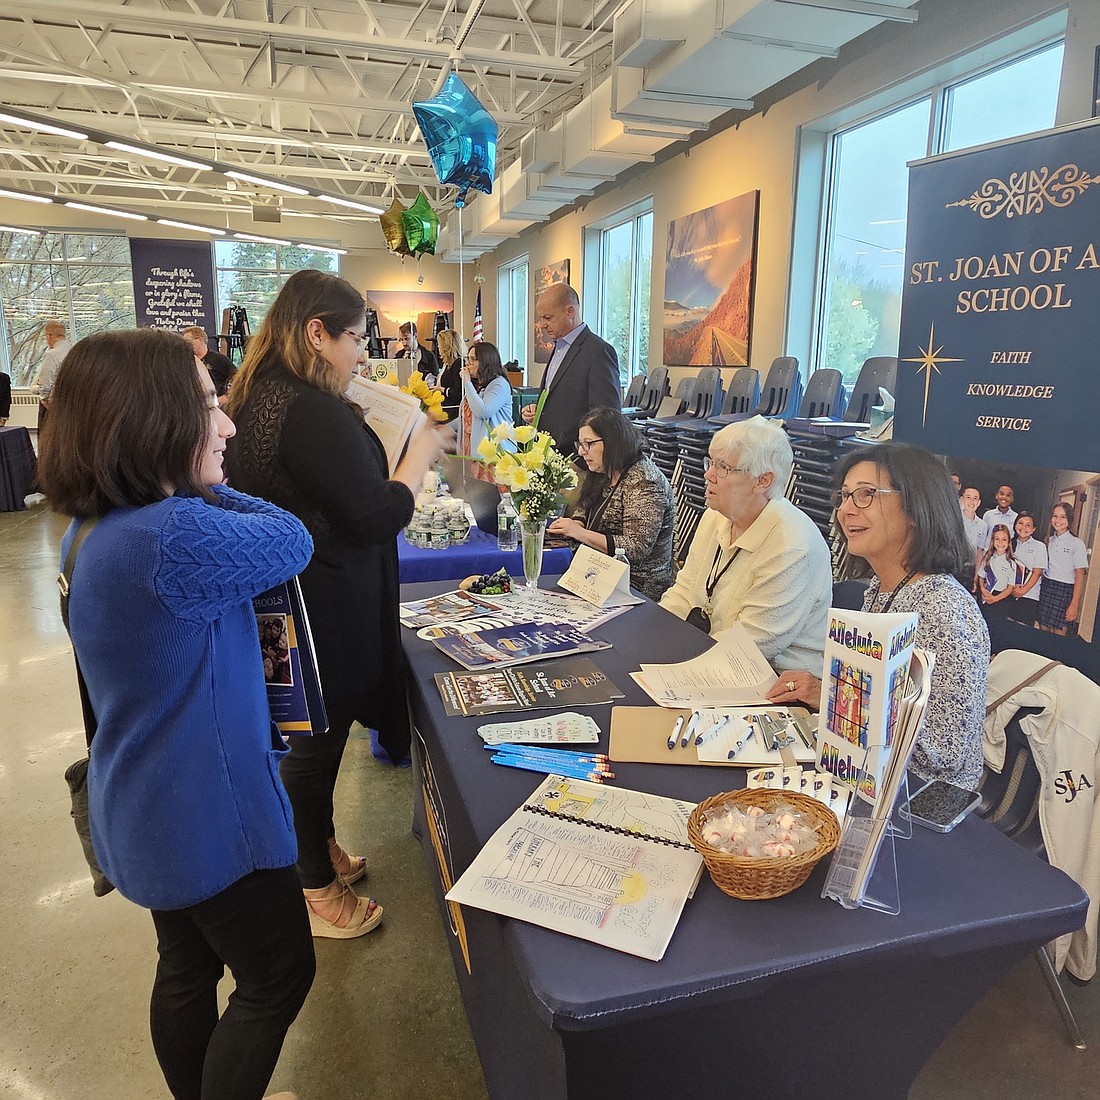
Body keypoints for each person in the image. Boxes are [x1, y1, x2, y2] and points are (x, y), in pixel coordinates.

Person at [37, 328, 315, 1100]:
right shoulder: (172, 535)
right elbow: (291, 539)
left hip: (143, 803)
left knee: (188, 966)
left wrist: (182, 473)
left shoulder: (92, 532)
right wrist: (199, 484)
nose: (226, 424)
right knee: (279, 977)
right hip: (206, 816)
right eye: (205, 408)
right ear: (149, 422)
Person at [225, 269, 452, 938]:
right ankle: (313, 886)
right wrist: (417, 455)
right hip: (322, 606)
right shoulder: (309, 409)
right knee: (317, 746)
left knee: (311, 740)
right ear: (316, 333)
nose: (364, 353)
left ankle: (314, 849)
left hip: (288, 599)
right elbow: (372, 517)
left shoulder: (261, 395)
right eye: (357, 338)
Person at [768, 443, 989, 789]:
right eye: (844, 496)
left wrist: (836, 701)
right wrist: (826, 694)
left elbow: (946, 754)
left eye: (866, 495)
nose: (845, 510)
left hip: (919, 803)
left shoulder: (945, 611)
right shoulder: (881, 588)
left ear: (917, 508)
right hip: (869, 777)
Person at [659, 415, 831, 671]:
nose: (708, 474)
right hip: (710, 656)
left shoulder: (792, 546)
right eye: (711, 462)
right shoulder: (715, 515)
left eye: (723, 467)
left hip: (772, 678)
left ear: (763, 481)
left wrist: (673, 663)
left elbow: (751, 643)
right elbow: (684, 590)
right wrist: (655, 636)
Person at [548, 406, 675, 601]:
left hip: (636, 587)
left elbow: (636, 547)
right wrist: (577, 523)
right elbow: (585, 506)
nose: (582, 452)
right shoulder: (603, 468)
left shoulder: (645, 481)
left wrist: (579, 533)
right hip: (597, 574)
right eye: (580, 444)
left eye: (588, 444)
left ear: (613, 442)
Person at [521, 283, 620, 455]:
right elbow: (563, 400)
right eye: (541, 318)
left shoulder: (598, 352)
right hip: (548, 456)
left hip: (576, 462)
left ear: (570, 312)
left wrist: (582, 460)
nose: (541, 325)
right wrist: (538, 411)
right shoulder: (558, 348)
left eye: (548, 317)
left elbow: (606, 416)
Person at [459, 341, 513, 484]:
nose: (467, 363)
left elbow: (483, 411)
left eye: (473, 359)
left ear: (485, 361)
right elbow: (466, 417)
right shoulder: (478, 387)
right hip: (475, 454)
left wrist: (467, 383)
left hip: (495, 456)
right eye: (467, 358)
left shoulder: (499, 384)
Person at [1038, 502, 1088, 636]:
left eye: (1063, 517)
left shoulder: (1077, 544)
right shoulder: (1049, 540)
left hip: (1065, 591)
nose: (1057, 521)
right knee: (1043, 631)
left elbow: (1079, 576)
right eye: (1055, 516)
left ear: (1069, 519)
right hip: (1047, 587)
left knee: (1058, 634)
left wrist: (1074, 604)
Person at [1007, 510, 1046, 625]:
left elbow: (1037, 573)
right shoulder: (1009, 544)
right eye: (1020, 523)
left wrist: (1022, 591)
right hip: (1008, 593)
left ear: (1033, 529)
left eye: (1028, 525)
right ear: (1015, 525)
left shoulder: (1039, 547)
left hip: (1029, 595)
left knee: (1023, 631)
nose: (1023, 527)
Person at [32, 319, 70, 436]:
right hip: (71, 401)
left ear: (48, 335)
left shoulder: (52, 354)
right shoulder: (75, 350)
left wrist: (44, 399)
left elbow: (45, 381)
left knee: (48, 436)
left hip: (53, 402)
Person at [183, 324, 237, 398]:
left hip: (216, 402)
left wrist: (227, 396)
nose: (185, 345)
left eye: (188, 341)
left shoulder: (218, 359)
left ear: (200, 340)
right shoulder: (186, 361)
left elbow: (237, 377)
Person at [978, 523, 1018, 617]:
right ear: (993, 540)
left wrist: (995, 599)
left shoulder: (1012, 563)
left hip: (1001, 598)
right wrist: (983, 589)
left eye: (1004, 539)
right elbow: (981, 576)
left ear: (1008, 542)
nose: (1000, 543)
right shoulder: (987, 558)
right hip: (987, 595)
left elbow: (1010, 588)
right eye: (997, 539)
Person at [435, 328, 467, 422]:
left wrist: (442, 389)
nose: (438, 347)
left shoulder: (458, 364)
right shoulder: (447, 364)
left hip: (453, 412)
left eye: (439, 344)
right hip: (445, 409)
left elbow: (459, 392)